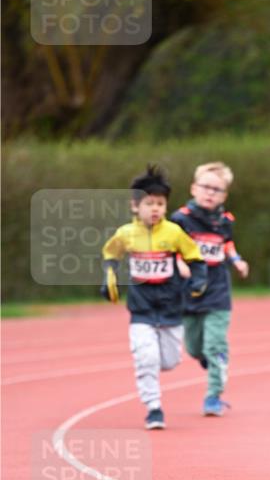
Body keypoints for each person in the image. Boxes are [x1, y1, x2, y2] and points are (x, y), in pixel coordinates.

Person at [101, 165, 207, 430]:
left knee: (169, 361)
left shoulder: (173, 232)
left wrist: (198, 279)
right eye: (149, 204)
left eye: (160, 204)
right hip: (141, 308)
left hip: (171, 306)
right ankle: (154, 408)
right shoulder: (126, 234)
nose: (155, 209)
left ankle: (154, 365)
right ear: (135, 206)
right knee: (146, 358)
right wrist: (109, 278)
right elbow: (110, 255)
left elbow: (194, 257)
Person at [170, 161, 249, 416]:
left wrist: (237, 260)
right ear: (194, 188)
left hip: (217, 289)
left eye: (217, 190)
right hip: (190, 289)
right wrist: (179, 263)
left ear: (224, 195)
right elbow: (171, 247)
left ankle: (213, 396)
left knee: (214, 345)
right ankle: (210, 360)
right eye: (205, 187)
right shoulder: (180, 219)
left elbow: (227, 244)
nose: (210, 193)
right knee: (194, 348)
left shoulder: (225, 220)